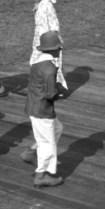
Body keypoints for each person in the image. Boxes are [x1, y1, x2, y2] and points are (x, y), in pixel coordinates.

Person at [24, 31, 66, 188]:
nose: (60, 50)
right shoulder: (50, 68)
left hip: (33, 106)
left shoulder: (36, 64)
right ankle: (41, 175)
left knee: (57, 128)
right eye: (58, 47)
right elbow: (50, 94)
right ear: (54, 49)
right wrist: (59, 93)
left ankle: (34, 152)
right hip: (43, 109)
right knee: (48, 143)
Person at [29, 0, 64, 89]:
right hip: (40, 38)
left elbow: (54, 22)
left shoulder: (48, 6)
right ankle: (42, 83)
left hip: (48, 40)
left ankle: (52, 86)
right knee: (37, 62)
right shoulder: (42, 4)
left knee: (49, 62)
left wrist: (56, 35)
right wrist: (37, 4)